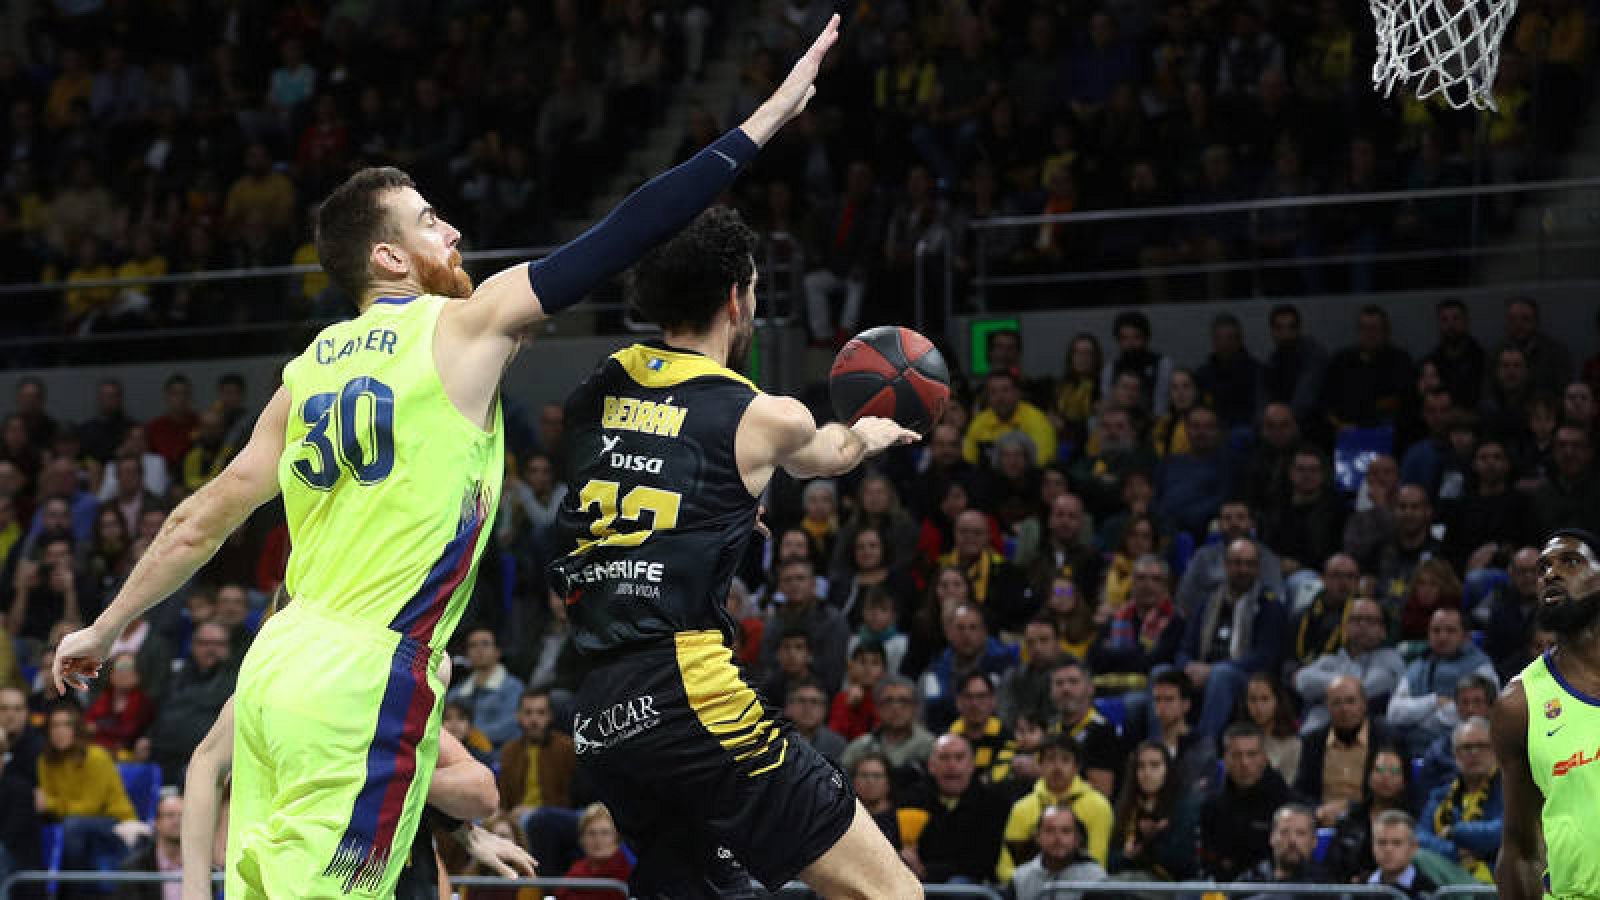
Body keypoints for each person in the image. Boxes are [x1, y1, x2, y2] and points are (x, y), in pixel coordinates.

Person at [57, 16, 844, 898]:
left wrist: (105, 624)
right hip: (366, 680)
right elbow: (628, 229)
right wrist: (764, 119)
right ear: (390, 256)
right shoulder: (463, 326)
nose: (455, 231)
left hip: (277, 669)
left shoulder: (306, 371)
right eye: (432, 223)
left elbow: (199, 518)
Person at [546, 80, 925, 900]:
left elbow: (625, 493)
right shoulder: (760, 413)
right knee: (892, 893)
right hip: (689, 695)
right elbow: (830, 453)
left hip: (601, 716)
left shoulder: (593, 389)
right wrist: (875, 432)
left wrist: (714, 518)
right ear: (736, 296)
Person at [181, 692, 536, 900]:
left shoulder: (390, 697)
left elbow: (482, 794)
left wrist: (388, 777)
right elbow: (219, 846)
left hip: (405, 882)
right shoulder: (264, 696)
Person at [1494, 529, 1600, 900]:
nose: (1551, 574)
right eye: (1543, 568)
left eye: (1571, 562)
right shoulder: (1519, 704)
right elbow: (1520, 850)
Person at [447, 627, 526, 748]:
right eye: (473, 645)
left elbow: (512, 725)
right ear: (467, 654)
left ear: (497, 652)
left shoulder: (513, 687)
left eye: (485, 644)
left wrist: (469, 735)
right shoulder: (455, 692)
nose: (479, 650)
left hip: (498, 756)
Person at [1011, 805, 1108, 900]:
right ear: (1037, 837)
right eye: (1049, 830)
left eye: (1066, 831)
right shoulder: (1021, 877)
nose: (1057, 838)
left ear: (1078, 839)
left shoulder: (1096, 879)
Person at [1368, 810, 1438, 899]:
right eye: (1382, 842)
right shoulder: (1359, 886)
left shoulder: (1429, 891)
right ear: (1372, 846)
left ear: (1413, 847)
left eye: (1397, 843)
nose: (1388, 849)